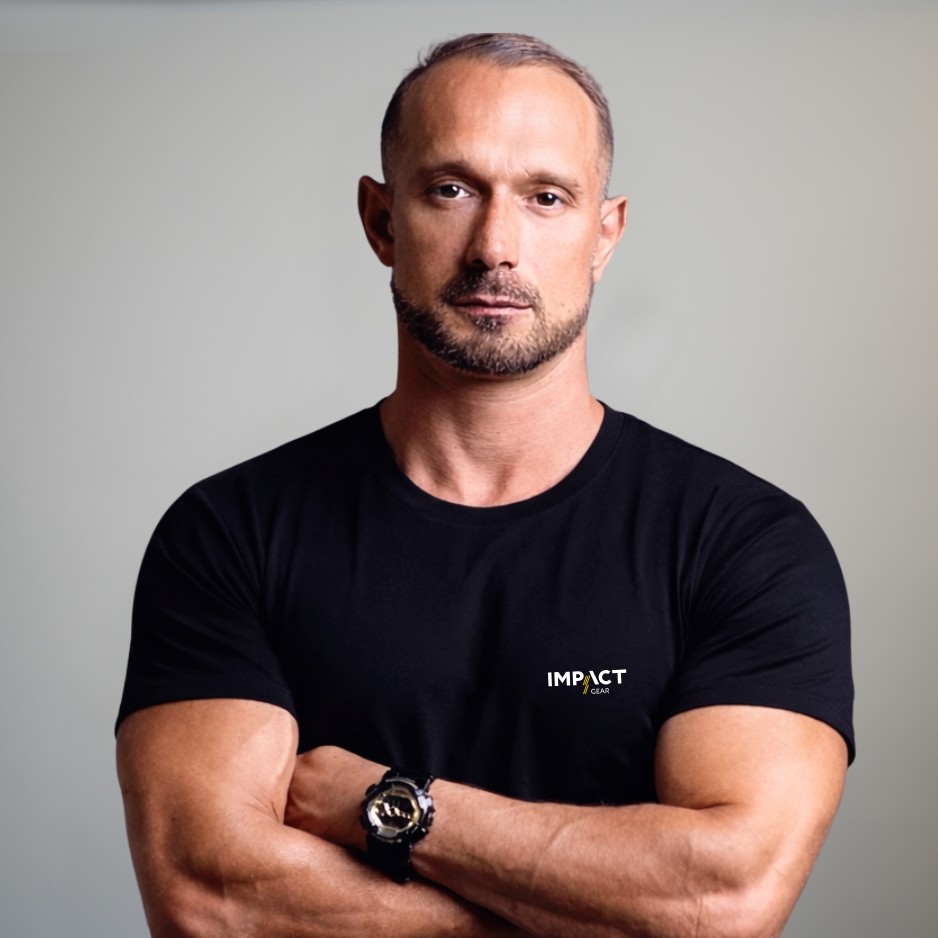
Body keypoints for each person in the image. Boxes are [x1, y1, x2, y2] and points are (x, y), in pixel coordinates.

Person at [116, 33, 854, 938]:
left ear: (605, 233)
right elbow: (211, 901)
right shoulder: (230, 533)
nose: (495, 247)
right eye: (450, 190)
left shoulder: (745, 543)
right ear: (381, 221)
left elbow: (718, 904)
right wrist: (590, 911)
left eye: (546, 197)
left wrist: (386, 803)